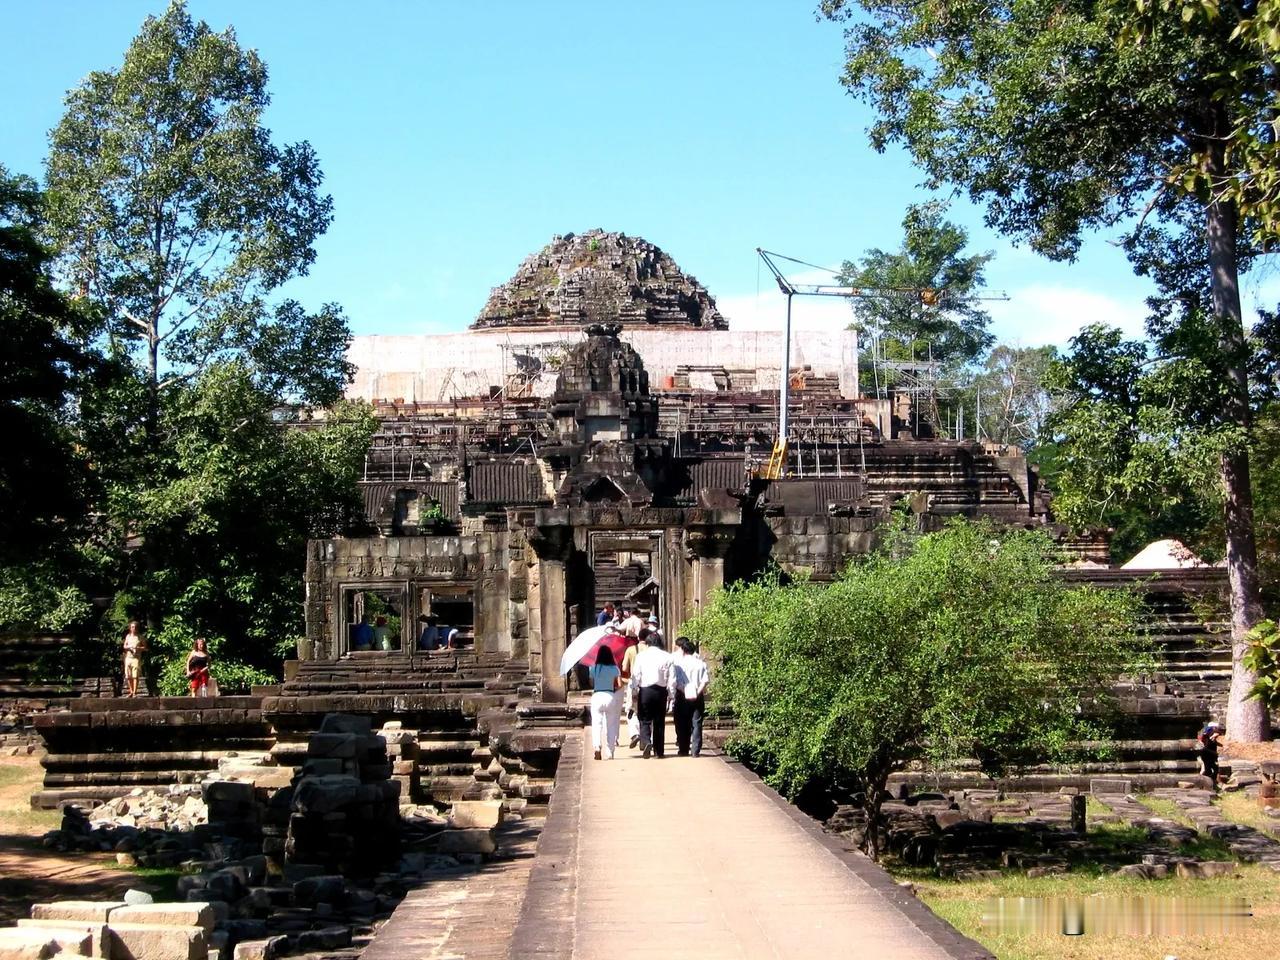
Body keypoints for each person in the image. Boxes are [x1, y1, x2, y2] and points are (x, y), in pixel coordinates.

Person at [630, 632, 673, 758]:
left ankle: (647, 741)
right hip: (661, 691)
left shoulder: (641, 656)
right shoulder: (667, 656)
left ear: (647, 643)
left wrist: (634, 691)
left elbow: (636, 675)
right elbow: (672, 679)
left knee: (645, 719)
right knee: (659, 721)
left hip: (645, 691)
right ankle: (659, 751)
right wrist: (671, 695)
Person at [671, 637, 709, 757]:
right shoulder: (701, 664)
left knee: (682, 723)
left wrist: (684, 691)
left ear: (683, 650)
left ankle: (683, 749)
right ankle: (695, 750)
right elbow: (705, 681)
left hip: (682, 695)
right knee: (696, 722)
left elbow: (676, 682)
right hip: (697, 696)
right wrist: (697, 692)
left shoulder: (678, 664)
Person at [588, 645, 623, 760]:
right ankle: (610, 751)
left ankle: (597, 747)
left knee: (597, 724)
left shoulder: (594, 668)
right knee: (611, 725)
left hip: (597, 695)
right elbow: (620, 685)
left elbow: (591, 683)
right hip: (610, 696)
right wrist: (612, 689)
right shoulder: (615, 668)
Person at [122, 621, 146, 698]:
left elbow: (145, 647)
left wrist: (138, 648)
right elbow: (124, 646)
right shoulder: (128, 636)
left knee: (135, 676)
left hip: (136, 658)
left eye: (135, 627)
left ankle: (135, 692)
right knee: (128, 676)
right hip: (128, 657)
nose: (134, 628)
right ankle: (131, 691)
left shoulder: (140, 637)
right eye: (132, 627)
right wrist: (129, 647)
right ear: (130, 628)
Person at [1197, 721, 1225, 785]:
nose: (1219, 734)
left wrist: (1221, 745)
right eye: (1219, 732)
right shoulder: (1209, 736)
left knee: (1214, 768)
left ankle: (1214, 781)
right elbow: (1205, 748)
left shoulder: (1211, 737)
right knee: (1207, 770)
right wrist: (1215, 753)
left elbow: (1214, 742)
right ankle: (1200, 782)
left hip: (1210, 756)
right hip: (1207, 756)